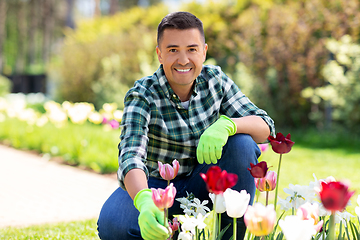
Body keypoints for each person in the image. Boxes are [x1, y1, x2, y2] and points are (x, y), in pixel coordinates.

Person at [97, 11, 275, 240]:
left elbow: (265, 126)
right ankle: (174, 233)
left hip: (204, 184)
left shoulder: (215, 81)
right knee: (114, 225)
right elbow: (131, 155)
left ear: (204, 52)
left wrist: (227, 125)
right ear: (159, 54)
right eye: (173, 50)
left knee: (242, 142)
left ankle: (231, 236)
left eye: (191, 49)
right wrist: (143, 199)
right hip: (156, 187)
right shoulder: (142, 94)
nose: (183, 60)